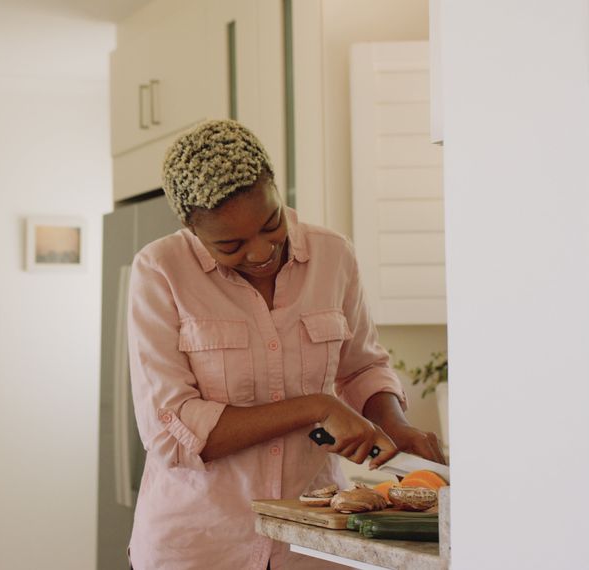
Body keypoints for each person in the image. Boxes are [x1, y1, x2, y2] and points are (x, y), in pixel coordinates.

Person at [126, 120, 446, 570]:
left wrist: (394, 424)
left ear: (276, 189)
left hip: (313, 543)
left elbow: (361, 368)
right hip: (201, 545)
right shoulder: (160, 271)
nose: (260, 252)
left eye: (271, 223)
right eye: (231, 245)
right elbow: (172, 432)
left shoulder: (332, 255)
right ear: (191, 228)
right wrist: (315, 407)